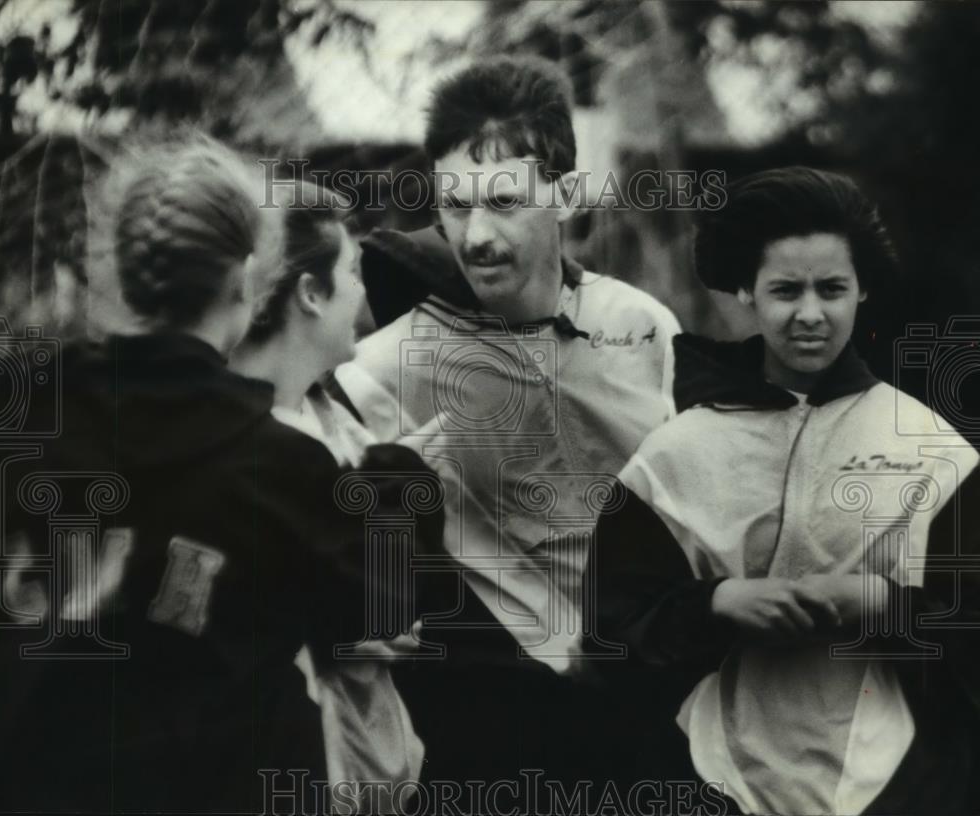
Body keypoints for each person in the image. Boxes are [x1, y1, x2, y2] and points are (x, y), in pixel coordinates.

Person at [0, 137, 388, 814]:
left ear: (127, 274)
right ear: (243, 280)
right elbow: (372, 609)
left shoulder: (16, 433)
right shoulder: (282, 468)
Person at [332, 56, 682, 796]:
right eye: (454, 206)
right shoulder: (392, 362)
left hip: (644, 710)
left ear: (565, 195)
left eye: (502, 201)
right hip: (488, 720)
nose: (476, 235)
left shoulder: (643, 328)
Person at [593, 167, 980, 815]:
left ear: (863, 291)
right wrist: (717, 601)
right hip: (714, 777)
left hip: (899, 780)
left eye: (832, 289)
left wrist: (882, 602)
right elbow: (610, 626)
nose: (809, 314)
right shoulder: (677, 452)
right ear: (746, 289)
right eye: (784, 290)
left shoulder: (930, 447)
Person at [230, 181, 440, 814]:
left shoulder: (341, 428)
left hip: (368, 769)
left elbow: (397, 621)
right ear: (311, 294)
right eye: (351, 272)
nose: (363, 295)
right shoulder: (241, 450)